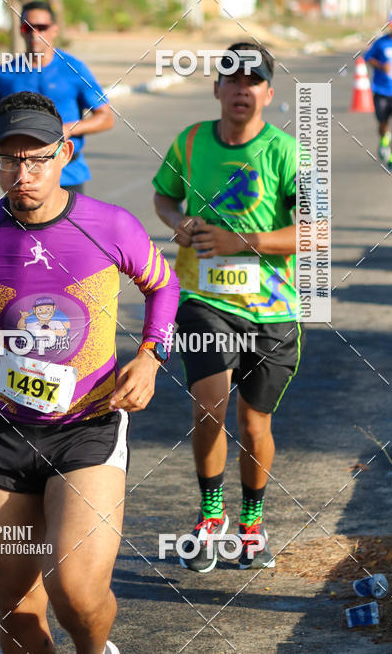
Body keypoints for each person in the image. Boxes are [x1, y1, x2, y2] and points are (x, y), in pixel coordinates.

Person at [0, 91, 179, 654]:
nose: (23, 173)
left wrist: (151, 356)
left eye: (37, 158)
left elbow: (164, 286)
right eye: (10, 159)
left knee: (74, 591)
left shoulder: (111, 226)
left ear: (65, 153)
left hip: (89, 424)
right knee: (16, 606)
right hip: (1, 431)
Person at [152, 42, 304, 572]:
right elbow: (165, 196)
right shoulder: (191, 142)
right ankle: (211, 514)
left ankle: (252, 524)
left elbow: (315, 232)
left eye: (252, 81)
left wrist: (245, 242)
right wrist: (178, 224)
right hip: (202, 298)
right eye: (232, 80)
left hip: (272, 309)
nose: (242, 90)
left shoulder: (288, 152)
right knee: (209, 404)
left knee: (254, 422)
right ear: (216, 88)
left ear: (267, 91)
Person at [0, 1, 114, 193]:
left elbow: (106, 117)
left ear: (54, 29)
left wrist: (68, 129)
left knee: (67, 224)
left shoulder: (74, 70)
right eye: (28, 28)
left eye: (42, 27)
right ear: (20, 31)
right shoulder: (5, 74)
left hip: (67, 173)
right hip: (22, 177)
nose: (35, 35)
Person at [363, 7, 392, 173]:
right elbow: (367, 58)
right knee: (383, 124)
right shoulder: (381, 43)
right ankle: (384, 138)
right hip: (381, 91)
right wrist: (380, 66)